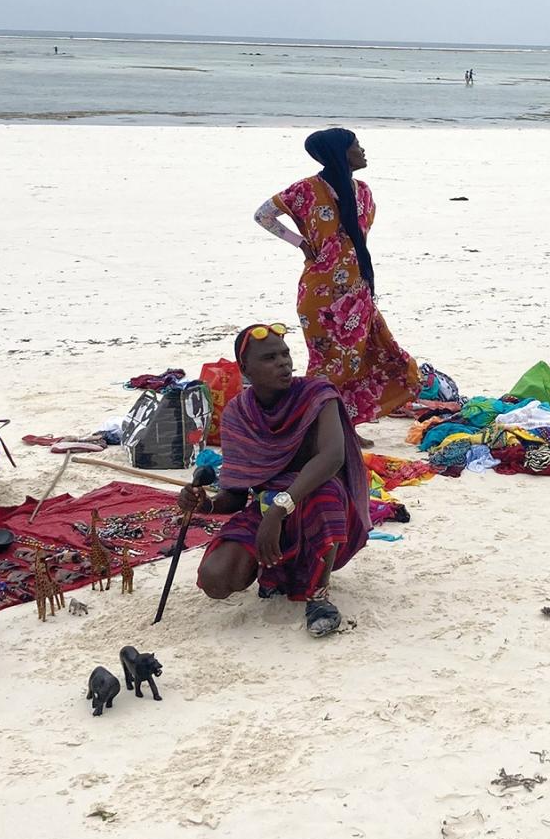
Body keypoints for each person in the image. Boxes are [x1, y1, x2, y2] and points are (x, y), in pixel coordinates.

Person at [178, 325, 369, 638]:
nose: (284, 362)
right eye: (270, 358)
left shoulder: (318, 395)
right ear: (245, 369)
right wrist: (206, 504)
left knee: (326, 492)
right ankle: (277, 573)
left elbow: (332, 457)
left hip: (319, 508)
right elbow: (236, 495)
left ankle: (318, 598)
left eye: (285, 354)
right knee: (216, 579)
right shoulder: (239, 413)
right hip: (268, 509)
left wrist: (280, 509)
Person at [254, 127, 420, 439]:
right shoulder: (306, 190)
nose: (362, 150)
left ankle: (343, 427)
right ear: (340, 153)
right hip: (320, 294)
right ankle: (317, 429)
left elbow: (358, 239)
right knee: (329, 364)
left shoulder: (364, 192)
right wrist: (301, 243)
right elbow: (263, 216)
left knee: (365, 358)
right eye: (356, 145)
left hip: (358, 290)